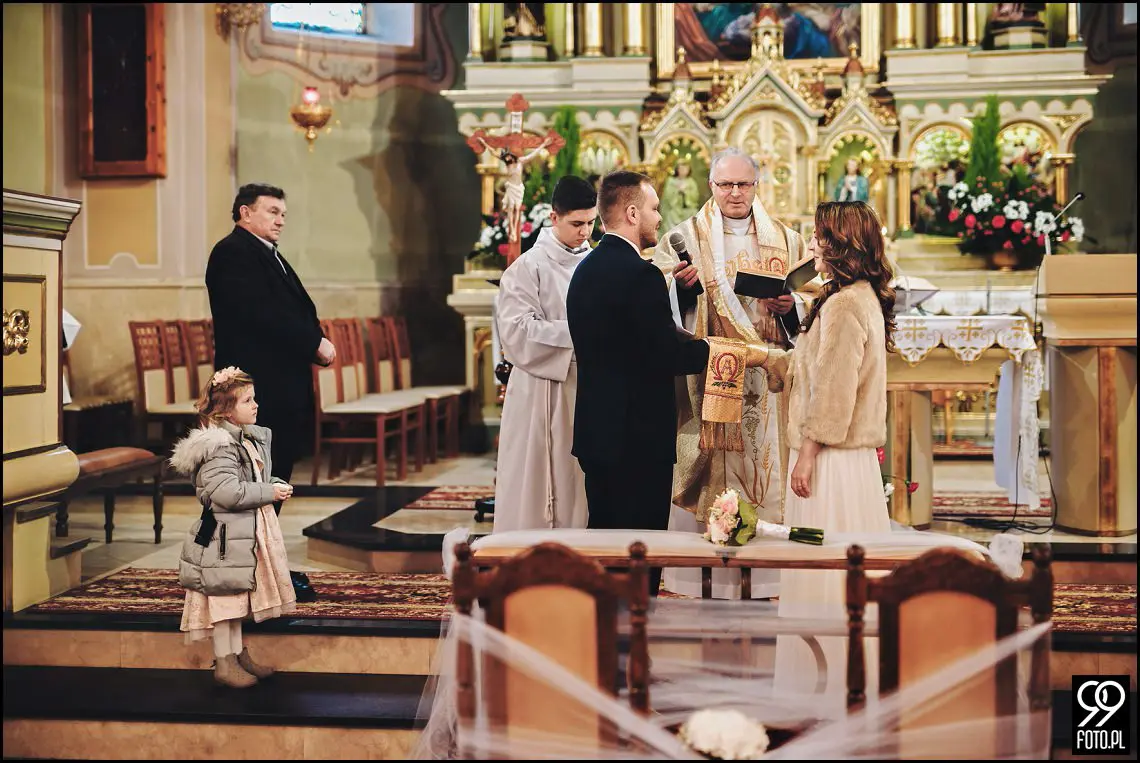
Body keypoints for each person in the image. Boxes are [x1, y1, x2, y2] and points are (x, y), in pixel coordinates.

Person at [567, 170, 778, 596]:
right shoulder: (638, 274)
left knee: (604, 547)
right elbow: (665, 353)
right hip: (637, 440)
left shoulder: (587, 269)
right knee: (639, 555)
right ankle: (631, 639)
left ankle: (599, 636)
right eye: (653, 209)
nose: (659, 219)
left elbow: (632, 338)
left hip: (599, 433)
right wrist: (729, 352)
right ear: (631, 213)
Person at [651, 146, 812, 599]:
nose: (735, 193)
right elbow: (658, 304)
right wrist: (681, 292)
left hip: (768, 380)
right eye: (726, 184)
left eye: (744, 184)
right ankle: (700, 574)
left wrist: (790, 306)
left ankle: (769, 575)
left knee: (767, 471)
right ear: (711, 186)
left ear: (757, 186)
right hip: (708, 380)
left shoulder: (788, 240)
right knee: (714, 466)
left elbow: (810, 299)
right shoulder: (683, 238)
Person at [774, 200, 895, 699]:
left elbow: (834, 392)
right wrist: (769, 362)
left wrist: (806, 454)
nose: (811, 247)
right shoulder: (853, 296)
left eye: (820, 237)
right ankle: (842, 678)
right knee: (837, 568)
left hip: (830, 459)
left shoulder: (845, 305)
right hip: (844, 456)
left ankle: (821, 688)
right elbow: (814, 371)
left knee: (822, 569)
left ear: (841, 245)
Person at [206, 183, 332, 601]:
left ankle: (260, 566)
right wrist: (314, 343)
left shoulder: (264, 253)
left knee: (268, 480)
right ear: (245, 212)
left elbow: (292, 308)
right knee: (250, 483)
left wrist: (313, 337)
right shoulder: (232, 254)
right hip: (256, 389)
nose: (281, 219)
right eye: (272, 211)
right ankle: (237, 569)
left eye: (283, 213)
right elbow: (263, 315)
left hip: (277, 387)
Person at [170, 367, 297, 689]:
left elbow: (249, 480)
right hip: (224, 538)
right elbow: (225, 492)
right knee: (226, 601)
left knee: (238, 599)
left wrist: (273, 484)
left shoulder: (245, 438)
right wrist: (269, 493)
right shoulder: (219, 446)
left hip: (242, 531)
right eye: (247, 400)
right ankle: (224, 663)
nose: (256, 405)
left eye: (254, 399)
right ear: (226, 409)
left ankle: (238, 654)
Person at [493, 176, 598, 533]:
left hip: (584, 386)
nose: (585, 232)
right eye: (576, 224)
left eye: (591, 222)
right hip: (540, 389)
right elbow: (517, 332)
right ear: (554, 218)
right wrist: (581, 334)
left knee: (577, 478)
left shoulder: (596, 264)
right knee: (537, 476)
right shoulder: (527, 267)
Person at [659, 161, 702, 235]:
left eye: (686, 169)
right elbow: (667, 196)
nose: (683, 171)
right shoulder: (671, 181)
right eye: (681, 169)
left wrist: (686, 193)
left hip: (688, 209)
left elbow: (695, 196)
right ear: (677, 169)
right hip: (674, 210)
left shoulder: (691, 182)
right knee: (670, 220)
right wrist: (677, 191)